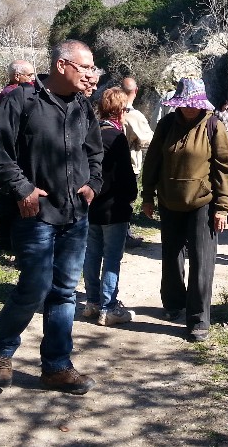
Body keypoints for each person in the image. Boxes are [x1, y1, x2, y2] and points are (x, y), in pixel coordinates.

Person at [0, 40, 103, 394]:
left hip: (75, 214)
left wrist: (93, 184)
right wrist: (24, 189)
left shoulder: (83, 106)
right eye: (86, 67)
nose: (91, 74)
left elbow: (95, 153)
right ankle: (1, 349)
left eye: (92, 68)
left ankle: (56, 367)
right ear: (62, 65)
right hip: (34, 214)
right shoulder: (21, 99)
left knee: (65, 292)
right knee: (34, 287)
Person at [140, 77, 228, 343]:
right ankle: (173, 303)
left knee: (202, 260)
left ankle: (198, 319)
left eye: (193, 104)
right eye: (185, 104)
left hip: (202, 203)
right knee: (171, 256)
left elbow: (225, 168)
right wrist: (147, 196)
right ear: (178, 104)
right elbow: (153, 162)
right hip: (169, 201)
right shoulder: (167, 124)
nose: (190, 108)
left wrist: (223, 206)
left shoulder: (213, 126)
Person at [82, 86, 138, 327]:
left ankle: (92, 302)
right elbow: (125, 175)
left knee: (92, 255)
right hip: (114, 207)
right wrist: (132, 197)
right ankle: (109, 307)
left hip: (90, 204)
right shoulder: (117, 137)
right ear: (119, 111)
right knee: (112, 257)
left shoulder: (89, 131)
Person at [121, 76, 153, 248]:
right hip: (130, 164)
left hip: (111, 164)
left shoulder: (112, 109)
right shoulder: (133, 115)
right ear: (136, 91)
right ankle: (125, 236)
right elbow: (149, 139)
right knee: (127, 201)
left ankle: (123, 234)